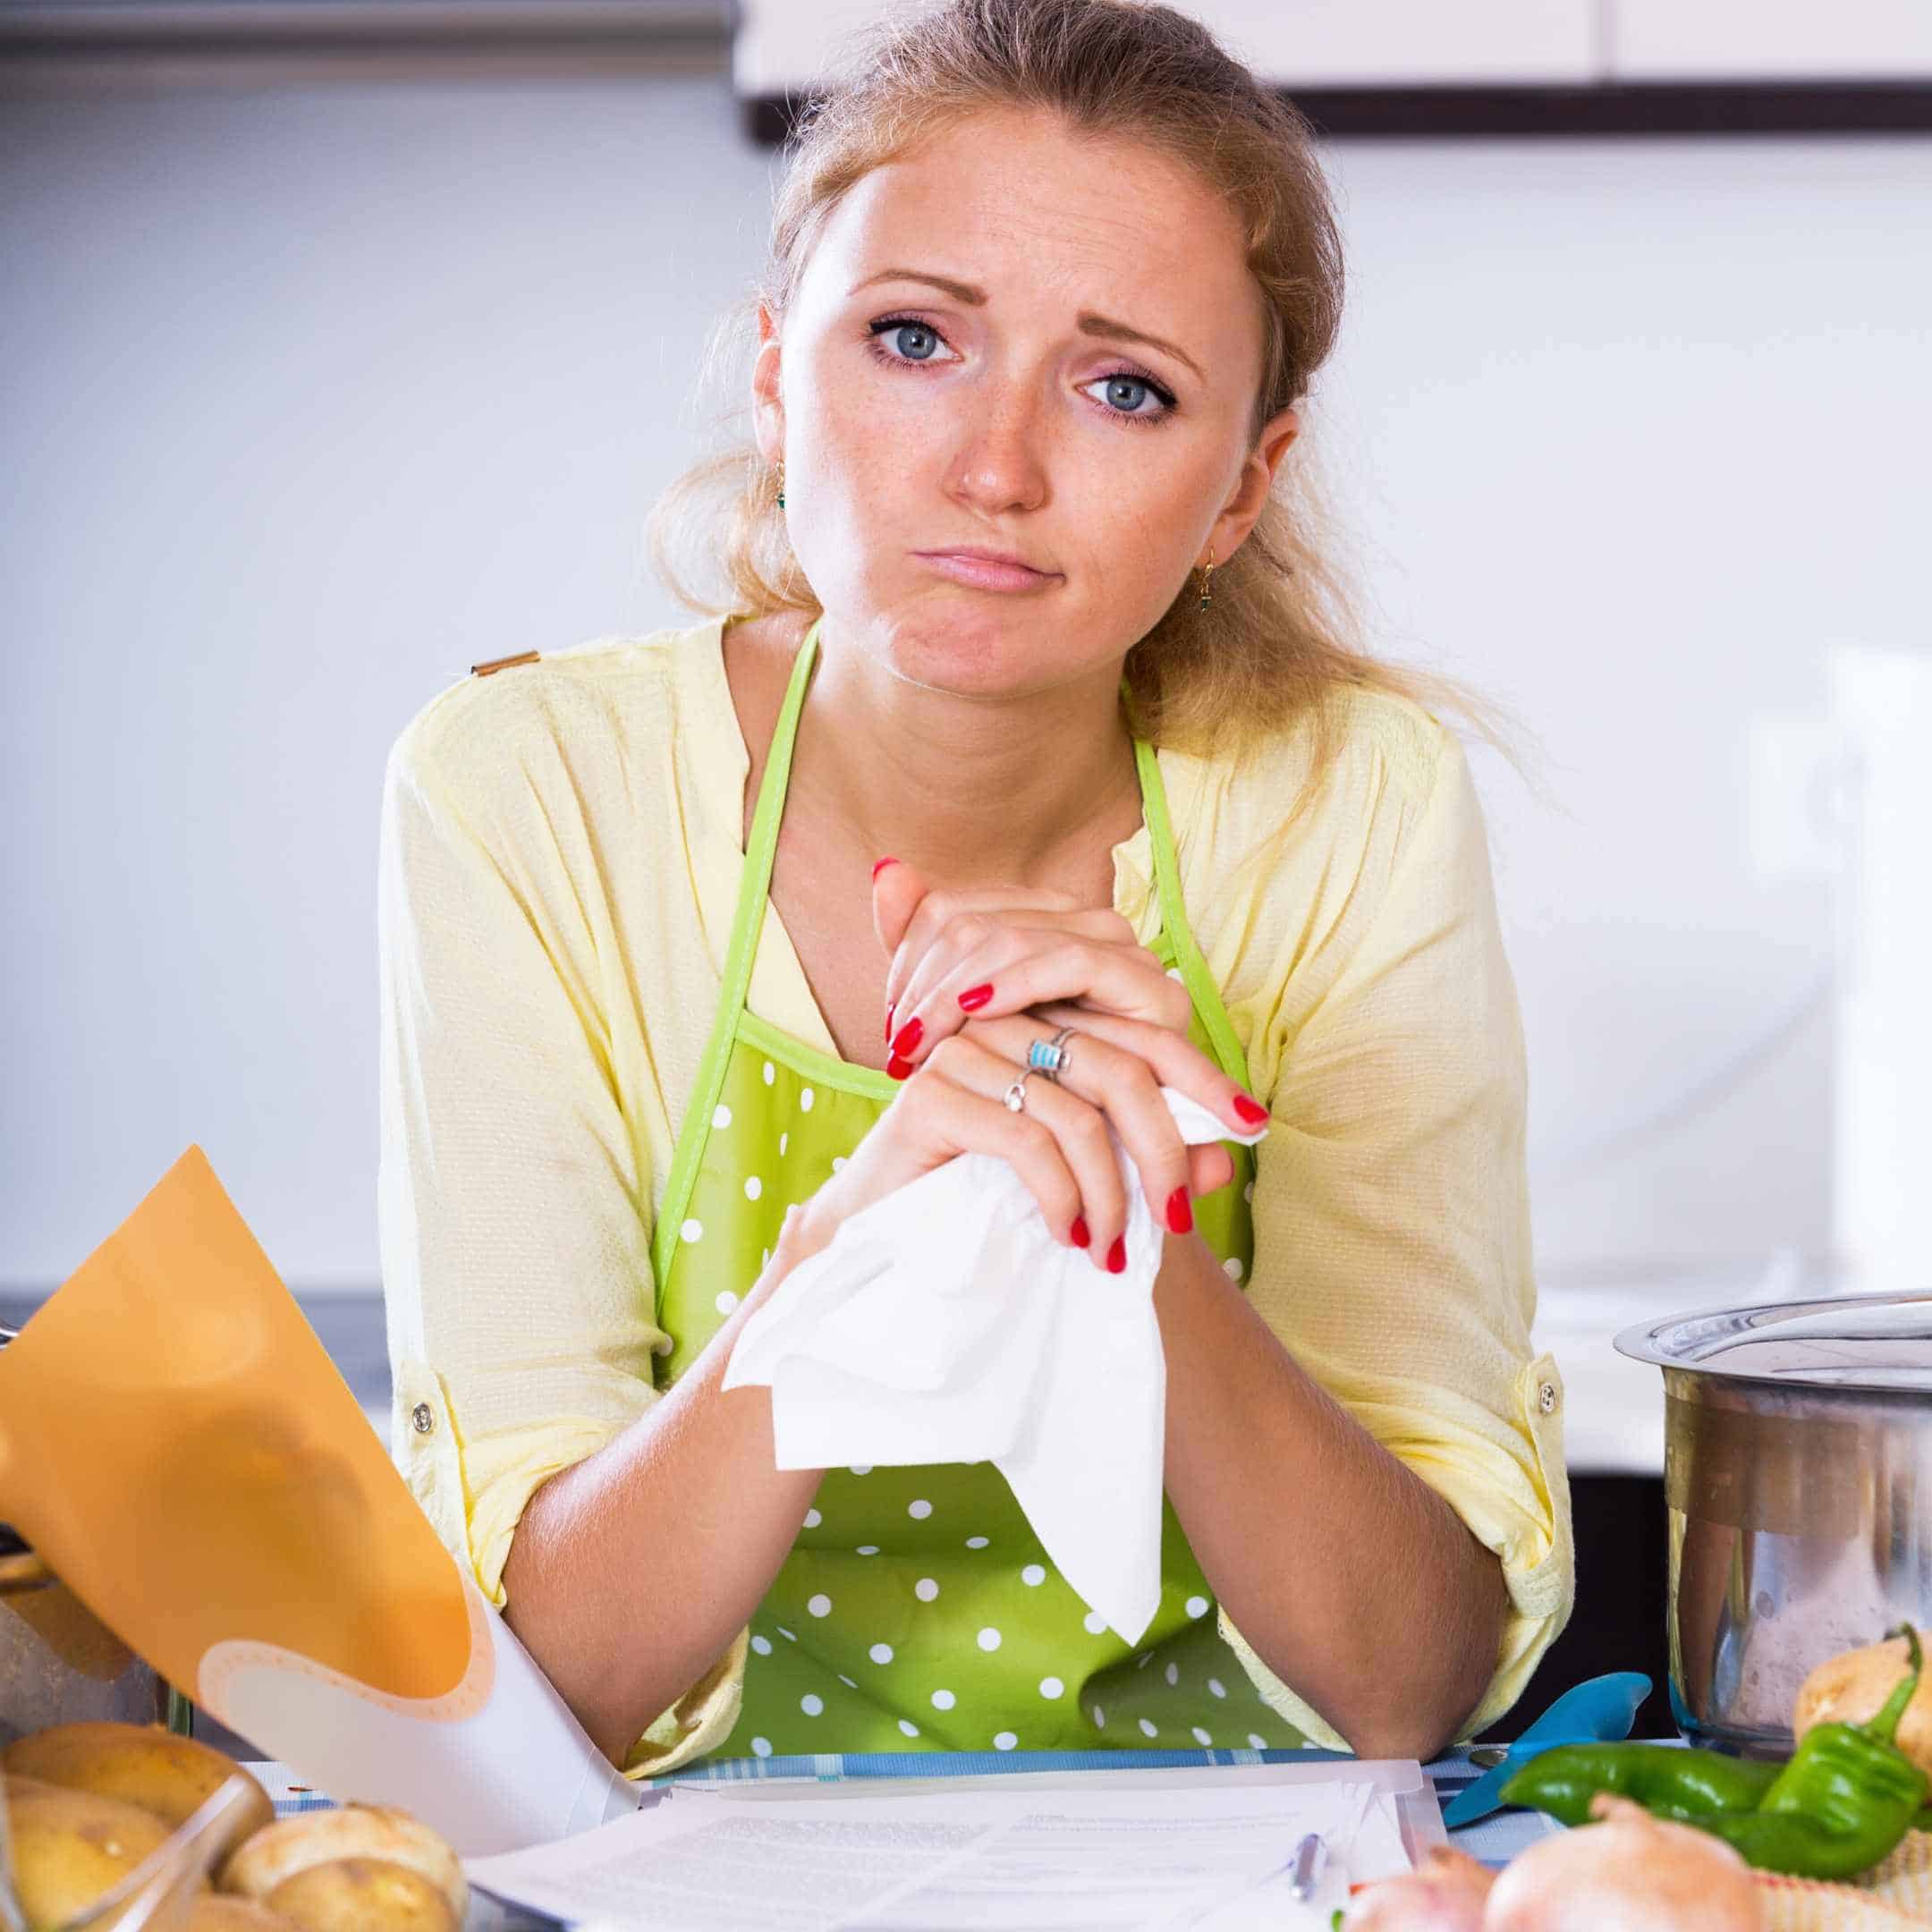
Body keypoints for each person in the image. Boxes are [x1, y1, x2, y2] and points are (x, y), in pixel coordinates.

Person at [377, 0, 1573, 1781]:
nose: (997, 469)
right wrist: (863, 1242)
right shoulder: (528, 791)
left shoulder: (1348, 803)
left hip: (1236, 1876)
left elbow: (1405, 1684)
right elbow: (548, 1695)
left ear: (1244, 485)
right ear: (781, 376)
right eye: (915, 339)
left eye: (1123, 387)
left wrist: (1120, 1220)